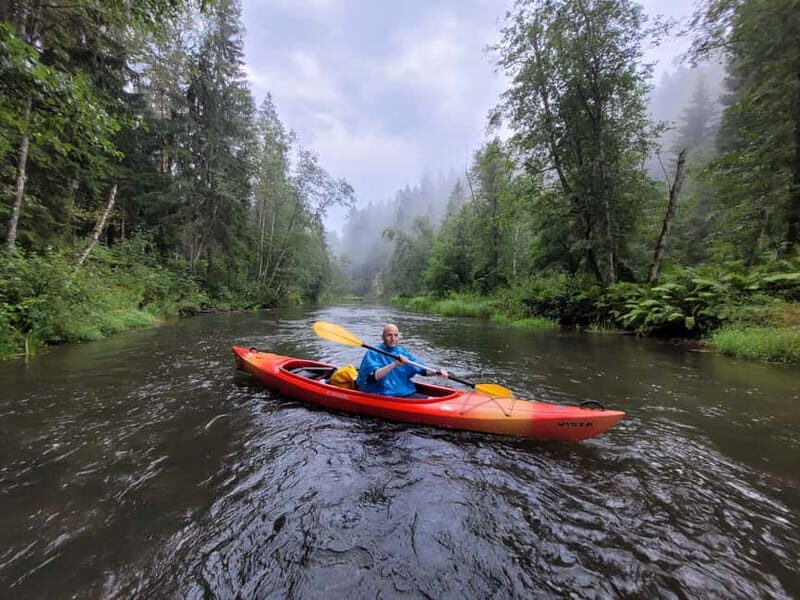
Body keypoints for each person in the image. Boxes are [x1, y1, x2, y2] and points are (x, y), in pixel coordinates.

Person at [356, 323, 448, 398]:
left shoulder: (402, 352)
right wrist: (395, 364)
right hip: (382, 393)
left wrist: (436, 372)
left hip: (404, 391)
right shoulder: (373, 353)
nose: (393, 339)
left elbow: (422, 370)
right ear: (382, 337)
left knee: (429, 398)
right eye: (389, 335)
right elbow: (374, 376)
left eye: (395, 335)